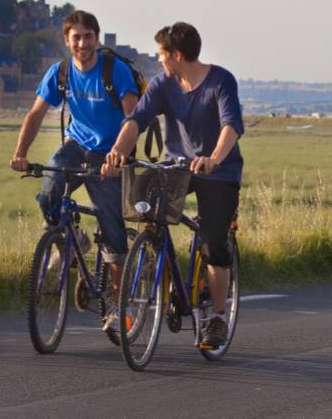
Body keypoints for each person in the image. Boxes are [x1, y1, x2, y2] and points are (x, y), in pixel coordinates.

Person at [104, 22, 243, 349]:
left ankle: (219, 317)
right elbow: (136, 121)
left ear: (177, 55)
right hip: (177, 165)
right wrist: (116, 153)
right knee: (141, 207)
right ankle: (154, 271)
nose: (159, 61)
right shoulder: (163, 84)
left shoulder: (221, 81)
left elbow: (231, 126)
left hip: (218, 171)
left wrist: (215, 158)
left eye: (162, 55)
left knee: (212, 243)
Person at [10, 10, 139, 330]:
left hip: (110, 153)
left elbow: (133, 118)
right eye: (76, 38)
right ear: (66, 41)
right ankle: (74, 239)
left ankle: (117, 304)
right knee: (47, 195)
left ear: (96, 38)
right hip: (75, 146)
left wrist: (118, 155)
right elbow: (35, 114)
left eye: (88, 36)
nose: (82, 43)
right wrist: (20, 153)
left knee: (112, 231)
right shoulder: (61, 72)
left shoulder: (115, 71)